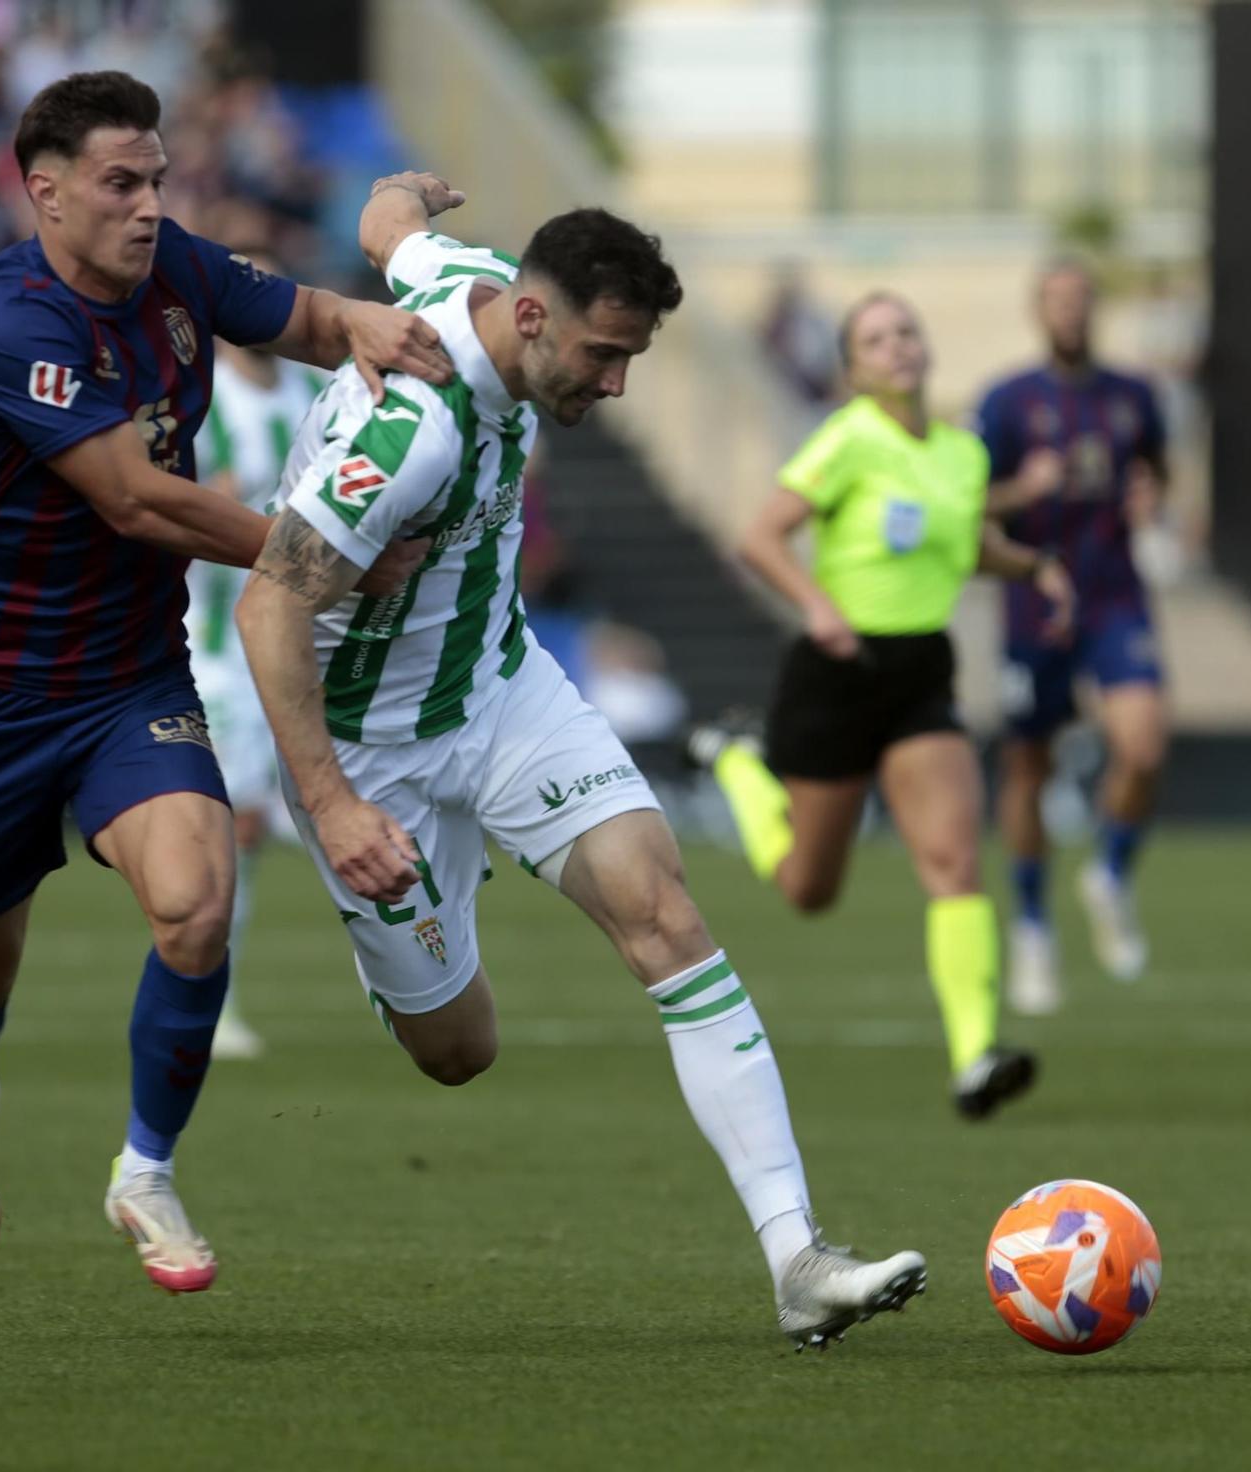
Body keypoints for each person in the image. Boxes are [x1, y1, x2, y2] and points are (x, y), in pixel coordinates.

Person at [237, 173, 927, 1350]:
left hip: (503, 692)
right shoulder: (407, 428)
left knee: (662, 908)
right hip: (370, 751)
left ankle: (795, 1257)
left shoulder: (465, 279)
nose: (612, 385)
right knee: (457, 1051)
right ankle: (417, 918)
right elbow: (266, 609)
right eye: (603, 356)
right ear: (531, 319)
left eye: (630, 361)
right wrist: (332, 802)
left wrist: (402, 193)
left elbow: (389, 230)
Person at [0, 72, 450, 1293]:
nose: (147, 208)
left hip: (126, 675)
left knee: (195, 903)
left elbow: (297, 318)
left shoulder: (175, 269)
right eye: (118, 184)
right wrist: (328, 555)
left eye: (156, 182)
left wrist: (375, 321)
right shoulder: (7, 325)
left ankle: (144, 1167)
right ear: (45, 193)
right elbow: (137, 499)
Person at [689, 291, 1073, 1120]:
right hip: (836, 670)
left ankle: (975, 1057)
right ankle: (733, 759)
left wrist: (1032, 568)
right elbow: (760, 537)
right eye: (876, 339)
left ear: (925, 350)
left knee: (954, 861)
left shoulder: (963, 454)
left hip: (919, 673)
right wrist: (816, 605)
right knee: (807, 888)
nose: (897, 347)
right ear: (854, 369)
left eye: (907, 331)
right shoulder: (848, 439)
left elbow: (966, 547)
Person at [977, 259, 1169, 1014]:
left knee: (1145, 744)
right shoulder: (1007, 402)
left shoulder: (1134, 397)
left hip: (1115, 595)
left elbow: (1159, 471)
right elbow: (971, 501)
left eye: (1081, 300)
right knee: (1029, 766)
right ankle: (1030, 924)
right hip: (1035, 600)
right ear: (1038, 311)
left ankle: (1110, 874)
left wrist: (1152, 501)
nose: (1071, 313)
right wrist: (1023, 490)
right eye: (1058, 301)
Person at [183, 262, 329, 1062]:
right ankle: (211, 997)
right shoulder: (206, 400)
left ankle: (209, 988)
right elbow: (169, 500)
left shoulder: (306, 398)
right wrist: (225, 496)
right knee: (232, 824)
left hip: (289, 645)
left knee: (253, 831)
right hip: (218, 649)